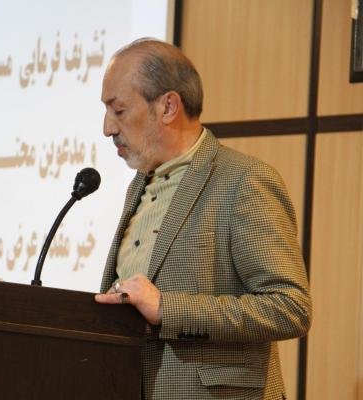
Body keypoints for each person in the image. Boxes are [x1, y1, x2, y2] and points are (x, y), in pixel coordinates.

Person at [94, 39, 311, 400]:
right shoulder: (139, 185)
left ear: (168, 107)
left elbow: (289, 307)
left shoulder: (243, 180)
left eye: (118, 110)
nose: (107, 128)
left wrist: (167, 308)